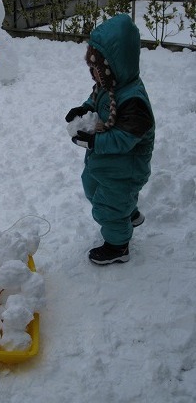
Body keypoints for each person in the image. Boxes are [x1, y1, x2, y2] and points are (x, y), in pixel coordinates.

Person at [65, 14, 155, 265]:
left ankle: (118, 245)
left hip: (126, 166)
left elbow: (125, 139)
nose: (93, 73)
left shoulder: (134, 101)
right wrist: (82, 110)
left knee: (109, 205)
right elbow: (97, 101)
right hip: (107, 163)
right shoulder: (111, 85)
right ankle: (129, 212)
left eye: (97, 68)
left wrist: (93, 142)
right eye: (91, 67)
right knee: (91, 186)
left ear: (114, 65)